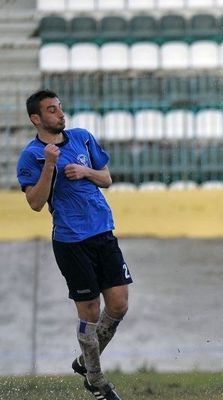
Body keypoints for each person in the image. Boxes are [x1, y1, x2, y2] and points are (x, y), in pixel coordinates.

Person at [16, 90, 131, 400]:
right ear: (36, 119)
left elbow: (106, 179)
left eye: (60, 108)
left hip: (103, 231)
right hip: (70, 240)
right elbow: (36, 203)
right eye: (52, 110)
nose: (60, 114)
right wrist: (50, 166)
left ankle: (84, 362)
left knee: (119, 304)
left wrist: (85, 172)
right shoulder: (32, 155)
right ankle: (96, 380)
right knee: (90, 311)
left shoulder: (82, 138)